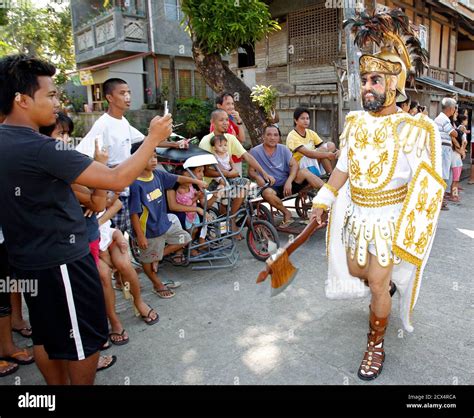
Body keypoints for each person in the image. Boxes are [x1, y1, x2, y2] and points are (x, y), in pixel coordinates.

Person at [0, 54, 173, 384]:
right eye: (50, 94)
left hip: (27, 260)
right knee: (82, 340)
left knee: (45, 337)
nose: (57, 101)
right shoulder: (41, 149)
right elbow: (119, 179)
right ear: (21, 100)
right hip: (61, 262)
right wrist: (153, 138)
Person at [311, 10, 444, 381]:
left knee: (378, 283)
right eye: (364, 79)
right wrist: (324, 198)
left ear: (394, 84)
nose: (366, 86)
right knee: (359, 273)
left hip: (390, 220)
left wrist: (412, 230)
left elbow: (429, 184)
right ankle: (385, 285)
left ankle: (375, 343)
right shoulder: (354, 122)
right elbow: (345, 167)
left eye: (374, 80)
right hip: (358, 217)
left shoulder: (413, 128)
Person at [40, 114, 116, 371]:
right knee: (79, 307)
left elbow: (102, 199)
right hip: (68, 252)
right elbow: (99, 200)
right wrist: (102, 167)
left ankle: (101, 334)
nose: (64, 140)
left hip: (77, 243)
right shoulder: (57, 168)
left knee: (50, 324)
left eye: (66, 133)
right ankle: (92, 348)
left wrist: (96, 196)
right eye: (58, 133)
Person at [76, 78, 186, 236]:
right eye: (122, 93)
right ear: (109, 97)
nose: (127, 97)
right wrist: (90, 195)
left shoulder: (123, 122)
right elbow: (81, 157)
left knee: (121, 236)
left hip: (123, 191)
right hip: (109, 195)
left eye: (129, 92)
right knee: (109, 237)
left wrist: (176, 145)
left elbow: (148, 140)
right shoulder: (103, 124)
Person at [129, 142, 207, 294]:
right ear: (137, 159)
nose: (154, 160)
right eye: (148, 157)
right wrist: (140, 236)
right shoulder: (135, 185)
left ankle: (158, 256)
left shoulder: (157, 175)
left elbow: (178, 178)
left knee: (184, 238)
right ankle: (157, 284)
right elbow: (134, 213)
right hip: (149, 230)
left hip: (164, 222)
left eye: (154, 156)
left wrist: (196, 181)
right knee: (147, 259)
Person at [200, 109, 275, 237]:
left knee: (246, 185)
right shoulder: (206, 142)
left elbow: (246, 156)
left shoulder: (230, 138)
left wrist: (264, 173)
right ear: (213, 122)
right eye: (221, 120)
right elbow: (205, 171)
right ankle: (231, 221)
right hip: (213, 183)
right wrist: (227, 174)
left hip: (228, 179)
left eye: (227, 120)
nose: (225, 123)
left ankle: (232, 219)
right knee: (229, 192)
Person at [249, 125, 324, 227]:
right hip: (272, 187)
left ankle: (329, 193)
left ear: (279, 137)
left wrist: (289, 181)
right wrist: (257, 177)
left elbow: (294, 165)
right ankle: (286, 212)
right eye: (269, 135)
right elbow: (251, 171)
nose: (272, 138)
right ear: (263, 137)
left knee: (304, 172)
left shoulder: (283, 149)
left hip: (287, 184)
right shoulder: (255, 151)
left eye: (275, 135)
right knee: (267, 193)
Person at [286, 107, 339, 177]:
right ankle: (332, 175)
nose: (306, 121)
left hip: (313, 161)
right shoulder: (292, 136)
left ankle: (330, 174)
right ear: (296, 121)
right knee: (323, 151)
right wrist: (327, 154)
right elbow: (308, 154)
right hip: (299, 165)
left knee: (330, 145)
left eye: (307, 118)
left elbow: (323, 146)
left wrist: (337, 151)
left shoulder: (310, 132)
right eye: (302, 118)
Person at [210, 92, 246, 174]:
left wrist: (239, 121)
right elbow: (220, 146)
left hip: (236, 159)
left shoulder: (230, 122)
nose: (231, 107)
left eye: (232, 104)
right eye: (228, 104)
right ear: (219, 106)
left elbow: (242, 139)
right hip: (227, 163)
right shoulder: (217, 125)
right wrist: (231, 166)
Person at [434, 98, 458, 210]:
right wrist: (458, 130)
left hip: (443, 149)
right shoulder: (444, 119)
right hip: (443, 149)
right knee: (442, 175)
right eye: (454, 108)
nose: (454, 111)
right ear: (450, 108)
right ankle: (440, 201)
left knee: (443, 175)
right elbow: (454, 133)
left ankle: (440, 199)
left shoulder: (441, 118)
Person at [449, 114, 468, 202]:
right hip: (456, 159)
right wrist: (462, 151)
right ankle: (453, 195)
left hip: (458, 159)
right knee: (455, 179)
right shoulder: (460, 129)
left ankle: (454, 194)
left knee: (456, 179)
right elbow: (461, 143)